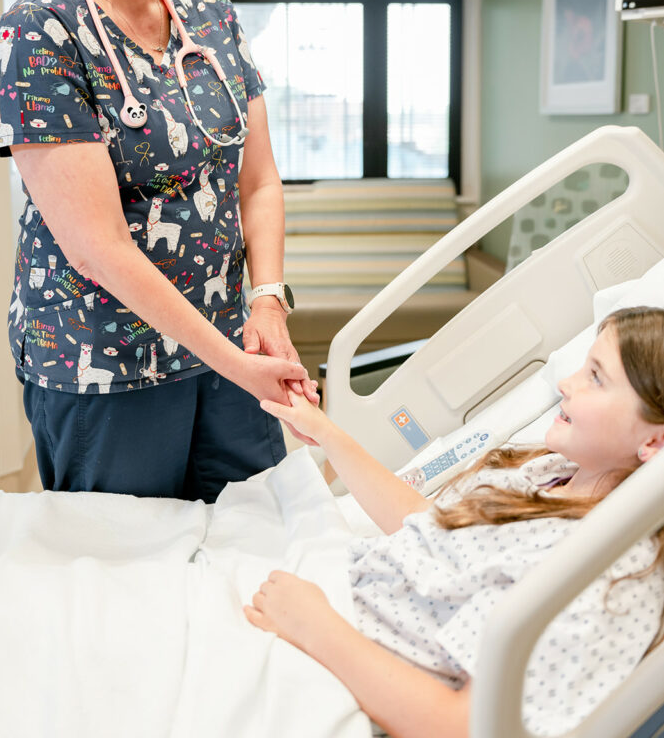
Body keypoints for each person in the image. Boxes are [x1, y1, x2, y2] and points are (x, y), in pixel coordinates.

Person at [0, 0, 317, 502]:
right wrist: (235, 361)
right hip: (104, 370)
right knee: (123, 582)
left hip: (233, 352)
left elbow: (257, 180)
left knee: (251, 550)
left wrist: (266, 302)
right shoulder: (42, 30)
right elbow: (95, 246)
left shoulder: (209, 10)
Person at [246, 306, 664, 738]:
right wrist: (327, 434)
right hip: (321, 599)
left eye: (596, 377)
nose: (565, 383)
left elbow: (463, 726)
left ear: (654, 440)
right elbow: (433, 533)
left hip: (333, 655)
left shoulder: (608, 580)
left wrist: (316, 626)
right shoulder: (555, 472)